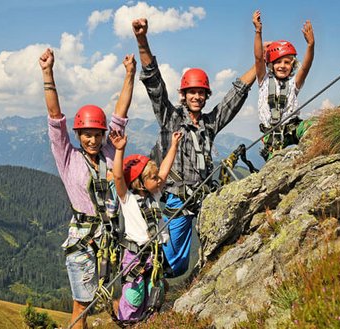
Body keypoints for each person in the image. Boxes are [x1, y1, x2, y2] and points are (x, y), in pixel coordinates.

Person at [132, 18, 257, 277]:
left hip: (200, 200)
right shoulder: (170, 119)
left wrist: (260, 63)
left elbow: (234, 97)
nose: (197, 96)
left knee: (192, 259)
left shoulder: (209, 124)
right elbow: (154, 86)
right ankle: (142, 291)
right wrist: (142, 41)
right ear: (184, 94)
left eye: (201, 93)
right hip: (174, 200)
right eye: (192, 92)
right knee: (170, 263)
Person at [39, 47, 136, 329]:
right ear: (78, 135)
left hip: (110, 237)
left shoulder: (108, 152)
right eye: (87, 135)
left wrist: (129, 74)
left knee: (114, 295)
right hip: (83, 238)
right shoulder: (67, 157)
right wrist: (48, 73)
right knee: (82, 304)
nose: (92, 141)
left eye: (96, 135)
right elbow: (55, 117)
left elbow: (121, 112)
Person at [109, 129, 182, 323]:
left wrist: (174, 146)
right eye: (153, 177)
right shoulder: (128, 199)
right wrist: (119, 150)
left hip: (154, 255)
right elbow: (118, 177)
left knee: (152, 294)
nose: (159, 180)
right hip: (134, 256)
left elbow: (165, 170)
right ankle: (127, 322)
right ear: (139, 183)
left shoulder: (154, 195)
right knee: (134, 296)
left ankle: (147, 323)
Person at [253, 10, 315, 161]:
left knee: (313, 126)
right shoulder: (264, 81)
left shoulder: (294, 83)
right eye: (278, 62)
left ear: (292, 65)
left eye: (287, 62)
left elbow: (306, 67)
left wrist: (310, 45)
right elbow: (258, 59)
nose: (282, 66)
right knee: (274, 162)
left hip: (292, 128)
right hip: (272, 135)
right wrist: (258, 31)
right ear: (271, 65)